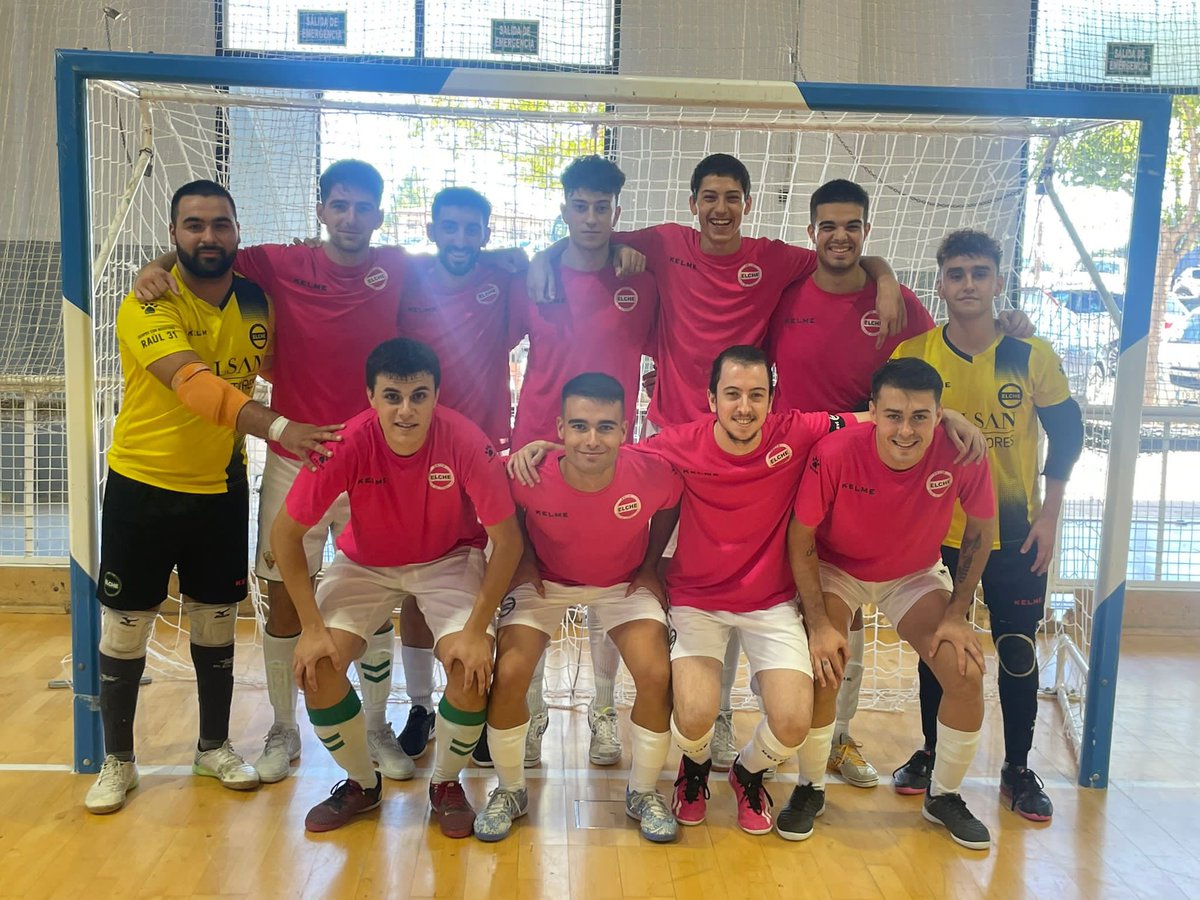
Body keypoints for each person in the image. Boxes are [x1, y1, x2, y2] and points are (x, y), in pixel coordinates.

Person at [511, 346, 984, 836]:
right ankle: (692, 769)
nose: (744, 406)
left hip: (770, 601)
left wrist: (945, 416)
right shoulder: (679, 444)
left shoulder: (797, 432)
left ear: (771, 400)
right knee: (694, 716)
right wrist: (546, 447)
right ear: (711, 398)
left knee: (793, 722)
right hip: (695, 599)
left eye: (757, 395)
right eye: (732, 394)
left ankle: (748, 771)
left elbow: (876, 416)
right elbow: (602, 448)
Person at [134, 160, 417, 785]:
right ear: (320, 210)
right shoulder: (276, 263)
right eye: (339, 206)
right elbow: (203, 247)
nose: (350, 218)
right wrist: (155, 266)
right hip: (297, 456)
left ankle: (376, 728)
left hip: (375, 462)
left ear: (378, 213)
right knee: (287, 594)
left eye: (363, 208)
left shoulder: (398, 266)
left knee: (378, 596)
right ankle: (283, 727)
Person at [86, 180, 340, 814]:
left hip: (220, 487)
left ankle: (212, 746)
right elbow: (195, 388)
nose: (207, 236)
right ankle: (119, 760)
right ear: (174, 235)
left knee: (217, 620)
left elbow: (286, 361)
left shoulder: (256, 301)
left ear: (236, 232)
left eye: (220, 224)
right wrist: (284, 428)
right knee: (126, 627)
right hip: (143, 484)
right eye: (193, 225)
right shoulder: (147, 301)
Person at [271, 338, 523, 835]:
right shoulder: (345, 443)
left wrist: (475, 632)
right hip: (365, 563)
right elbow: (285, 534)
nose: (406, 411)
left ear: (436, 395)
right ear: (371, 396)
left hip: (448, 558)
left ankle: (445, 785)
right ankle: (362, 785)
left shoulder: (467, 441)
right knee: (316, 669)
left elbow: (508, 543)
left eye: (419, 396)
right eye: (392, 396)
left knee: (471, 668)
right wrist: (311, 627)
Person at [889, 230, 1084, 823]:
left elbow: (1069, 434)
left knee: (1019, 650)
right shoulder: (915, 356)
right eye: (956, 273)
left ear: (999, 282)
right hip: (935, 532)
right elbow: (889, 432)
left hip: (1017, 530)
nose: (968, 283)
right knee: (938, 646)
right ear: (941, 284)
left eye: (980, 272)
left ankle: (1018, 768)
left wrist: (1051, 514)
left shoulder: (1032, 354)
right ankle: (930, 752)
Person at [787, 357, 997, 849]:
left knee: (965, 674)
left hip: (914, 574)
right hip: (839, 570)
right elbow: (801, 538)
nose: (906, 430)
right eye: (894, 415)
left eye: (920, 417)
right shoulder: (835, 451)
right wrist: (817, 621)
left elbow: (982, 530)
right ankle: (809, 787)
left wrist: (957, 613)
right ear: (873, 411)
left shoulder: (963, 452)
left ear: (939, 414)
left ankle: (942, 797)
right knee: (826, 666)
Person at [473, 373, 680, 843]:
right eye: (580, 426)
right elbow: (497, 500)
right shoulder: (528, 470)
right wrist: (523, 559)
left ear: (625, 429)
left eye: (605, 427)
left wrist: (651, 565)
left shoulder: (652, 471)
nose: (592, 439)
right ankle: (509, 791)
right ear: (559, 429)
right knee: (508, 674)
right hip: (546, 582)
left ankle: (643, 792)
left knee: (655, 674)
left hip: (622, 584)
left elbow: (673, 501)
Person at [505, 155, 660, 770]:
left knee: (608, 580)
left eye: (602, 207)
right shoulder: (534, 278)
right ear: (564, 209)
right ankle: (535, 712)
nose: (591, 217)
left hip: (608, 447)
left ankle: (601, 710)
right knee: (533, 579)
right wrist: (539, 256)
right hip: (536, 446)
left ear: (617, 212)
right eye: (580, 205)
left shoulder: (641, 282)